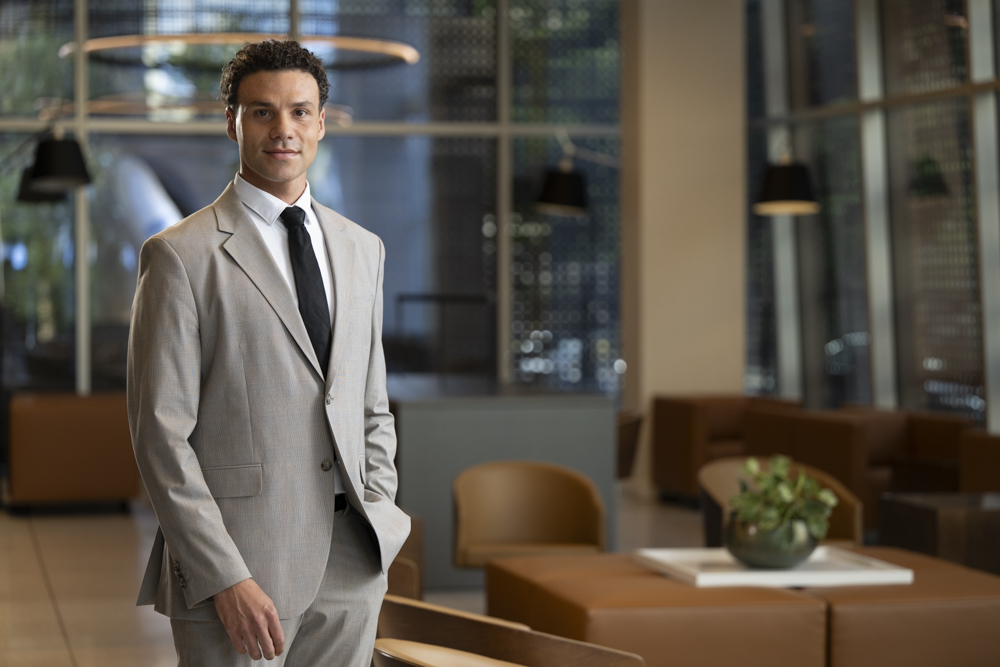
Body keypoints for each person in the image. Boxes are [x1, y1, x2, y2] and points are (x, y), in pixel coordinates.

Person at [127, 39, 409, 666]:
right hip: (240, 566)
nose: (284, 129)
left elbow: (370, 404)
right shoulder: (180, 256)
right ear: (231, 121)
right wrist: (223, 574)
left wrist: (380, 514)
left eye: (300, 112)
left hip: (352, 559)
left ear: (321, 123)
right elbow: (161, 438)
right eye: (262, 112)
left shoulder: (363, 249)